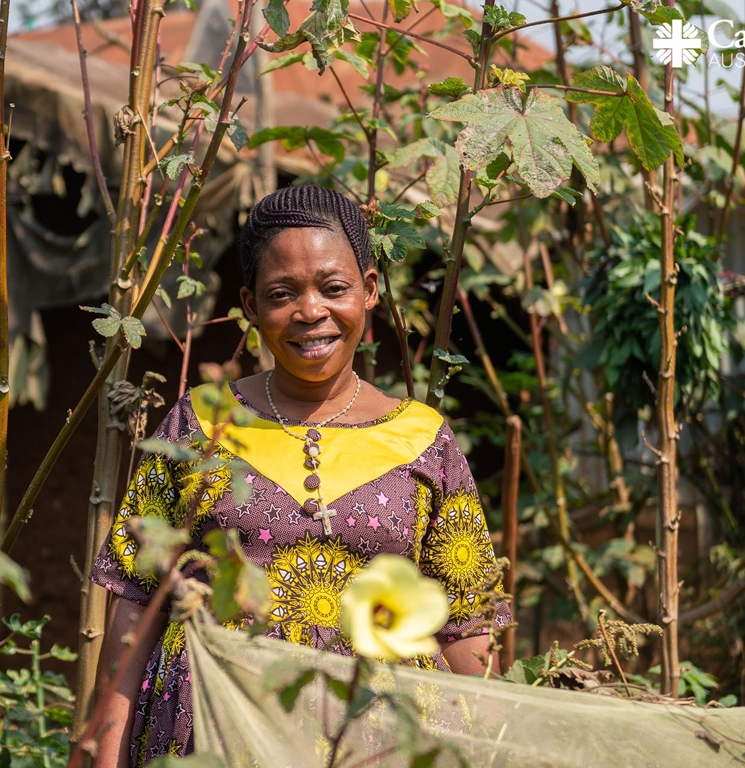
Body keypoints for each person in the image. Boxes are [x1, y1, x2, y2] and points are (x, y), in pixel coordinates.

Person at [88, 185, 512, 766]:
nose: (311, 311)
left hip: (380, 744)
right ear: (251, 304)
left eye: (333, 288)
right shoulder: (200, 425)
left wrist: (495, 752)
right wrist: (102, 750)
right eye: (282, 294)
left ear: (367, 291)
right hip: (212, 737)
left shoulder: (422, 436)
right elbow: (137, 603)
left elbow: (464, 624)